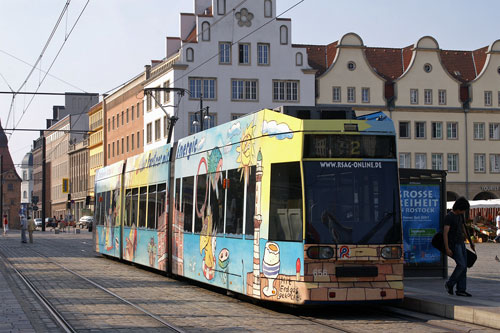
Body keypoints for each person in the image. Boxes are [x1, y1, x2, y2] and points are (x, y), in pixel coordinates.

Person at [443, 197, 475, 297]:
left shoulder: (460, 216)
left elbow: (463, 228)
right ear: (458, 208)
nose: (464, 211)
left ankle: (461, 289)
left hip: (461, 243)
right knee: (461, 265)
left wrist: (470, 242)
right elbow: (445, 233)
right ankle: (450, 283)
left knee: (464, 266)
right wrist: (447, 248)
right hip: (454, 245)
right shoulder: (449, 217)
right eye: (463, 209)